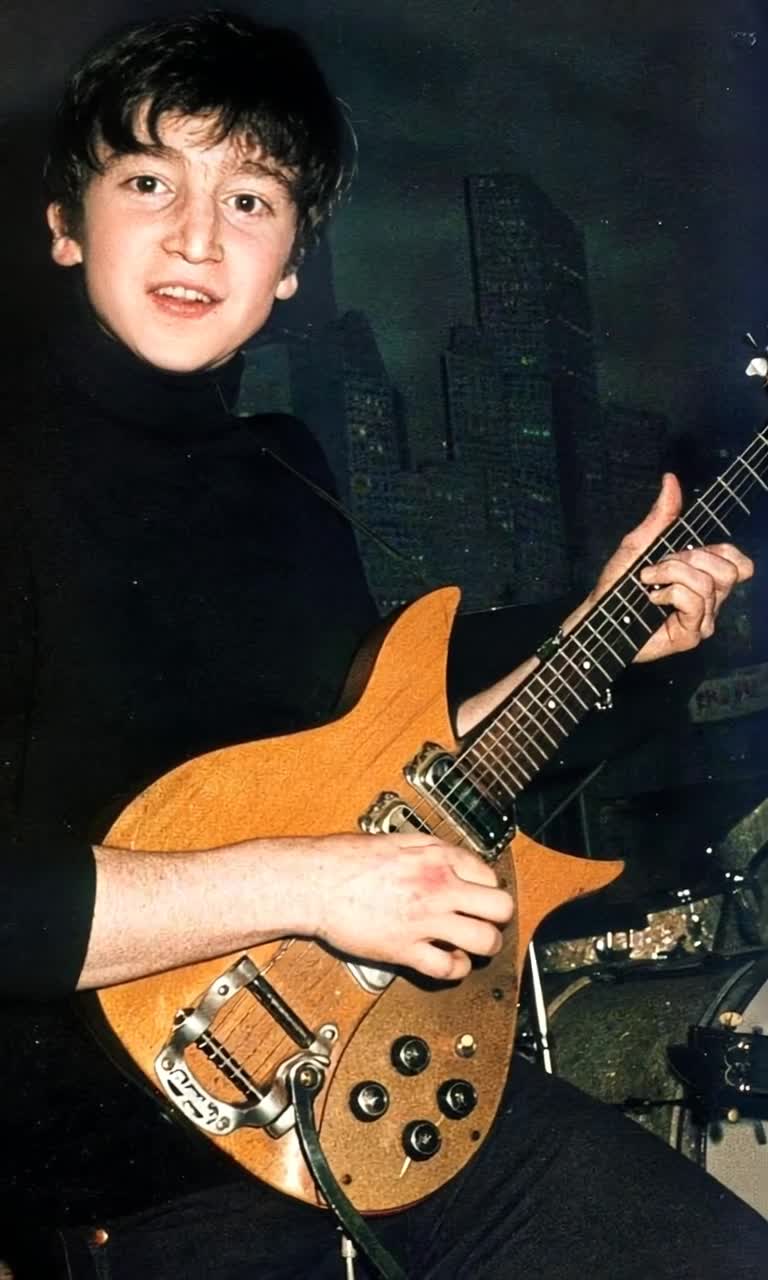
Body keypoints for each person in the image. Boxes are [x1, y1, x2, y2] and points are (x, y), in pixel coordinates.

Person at [0, 11, 764, 1279]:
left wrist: (607, 634)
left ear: (293, 261)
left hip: (381, 1099)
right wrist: (314, 883)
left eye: (252, 198)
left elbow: (397, 779)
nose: (199, 234)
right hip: (130, 1175)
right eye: (149, 181)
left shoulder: (287, 481)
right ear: (64, 223)